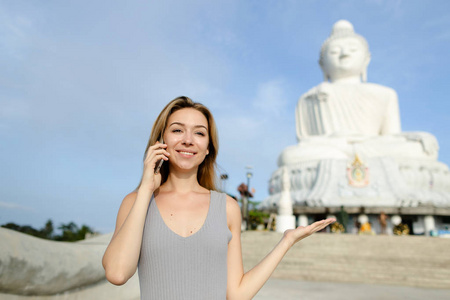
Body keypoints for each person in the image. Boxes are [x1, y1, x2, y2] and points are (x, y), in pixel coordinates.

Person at [102, 96, 335, 299]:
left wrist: (286, 242)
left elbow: (237, 294)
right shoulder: (136, 202)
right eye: (177, 130)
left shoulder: (226, 207)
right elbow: (117, 273)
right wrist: (146, 189)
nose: (188, 140)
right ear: (160, 141)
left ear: (207, 149)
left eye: (199, 133)